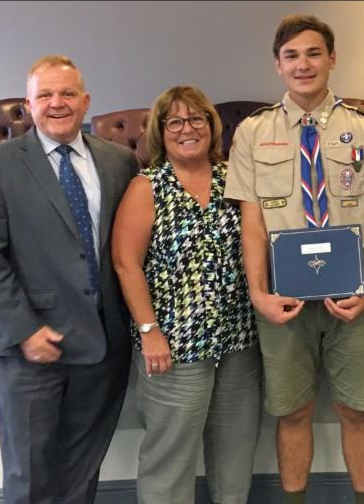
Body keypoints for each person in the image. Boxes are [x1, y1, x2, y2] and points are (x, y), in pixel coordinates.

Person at [224, 14, 364, 504]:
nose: (303, 64)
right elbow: (252, 223)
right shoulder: (252, 133)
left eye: (314, 53)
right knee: (292, 412)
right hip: (283, 301)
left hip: (353, 299)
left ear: (332, 59)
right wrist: (258, 293)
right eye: (292, 56)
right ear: (277, 65)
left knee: (357, 411)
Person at [0, 55, 136, 503]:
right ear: (29, 104)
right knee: (30, 476)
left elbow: (128, 249)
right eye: (45, 95)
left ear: (86, 101)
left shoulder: (119, 161)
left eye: (67, 93)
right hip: (30, 347)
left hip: (103, 345)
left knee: (81, 476)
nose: (57, 103)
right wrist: (25, 329)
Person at [111, 86, 260, 504]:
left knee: (235, 456)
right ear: (160, 132)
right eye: (174, 121)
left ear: (211, 126)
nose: (187, 129)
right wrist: (149, 331)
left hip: (239, 342)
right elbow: (125, 263)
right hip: (174, 348)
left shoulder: (235, 179)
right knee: (170, 459)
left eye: (197, 119)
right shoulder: (148, 186)